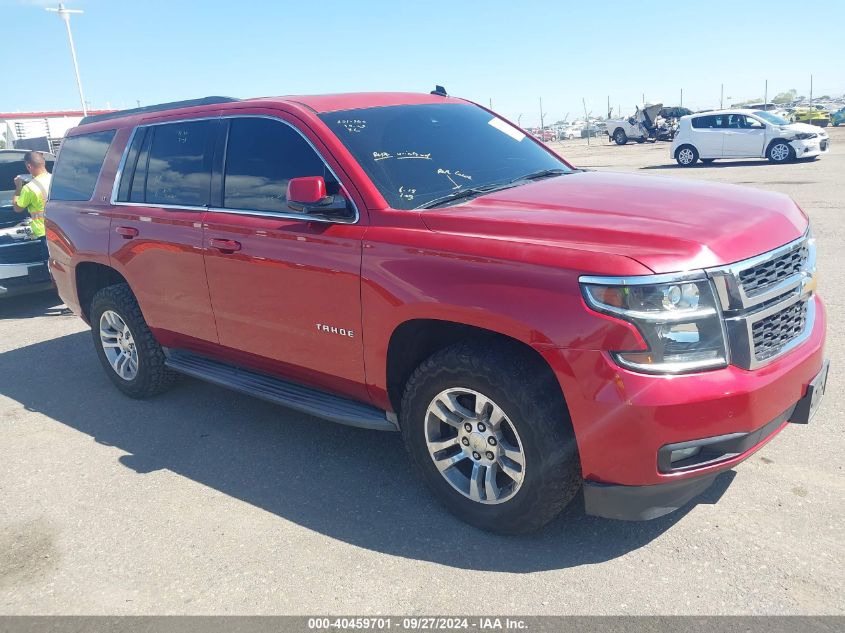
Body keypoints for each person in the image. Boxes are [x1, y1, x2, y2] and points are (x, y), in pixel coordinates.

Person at [12, 150, 52, 258]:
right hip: (61, 230)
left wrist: (18, 187)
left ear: (29, 166)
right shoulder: (56, 180)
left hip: (43, 232)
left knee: (50, 264)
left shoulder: (29, 188)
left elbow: (17, 208)